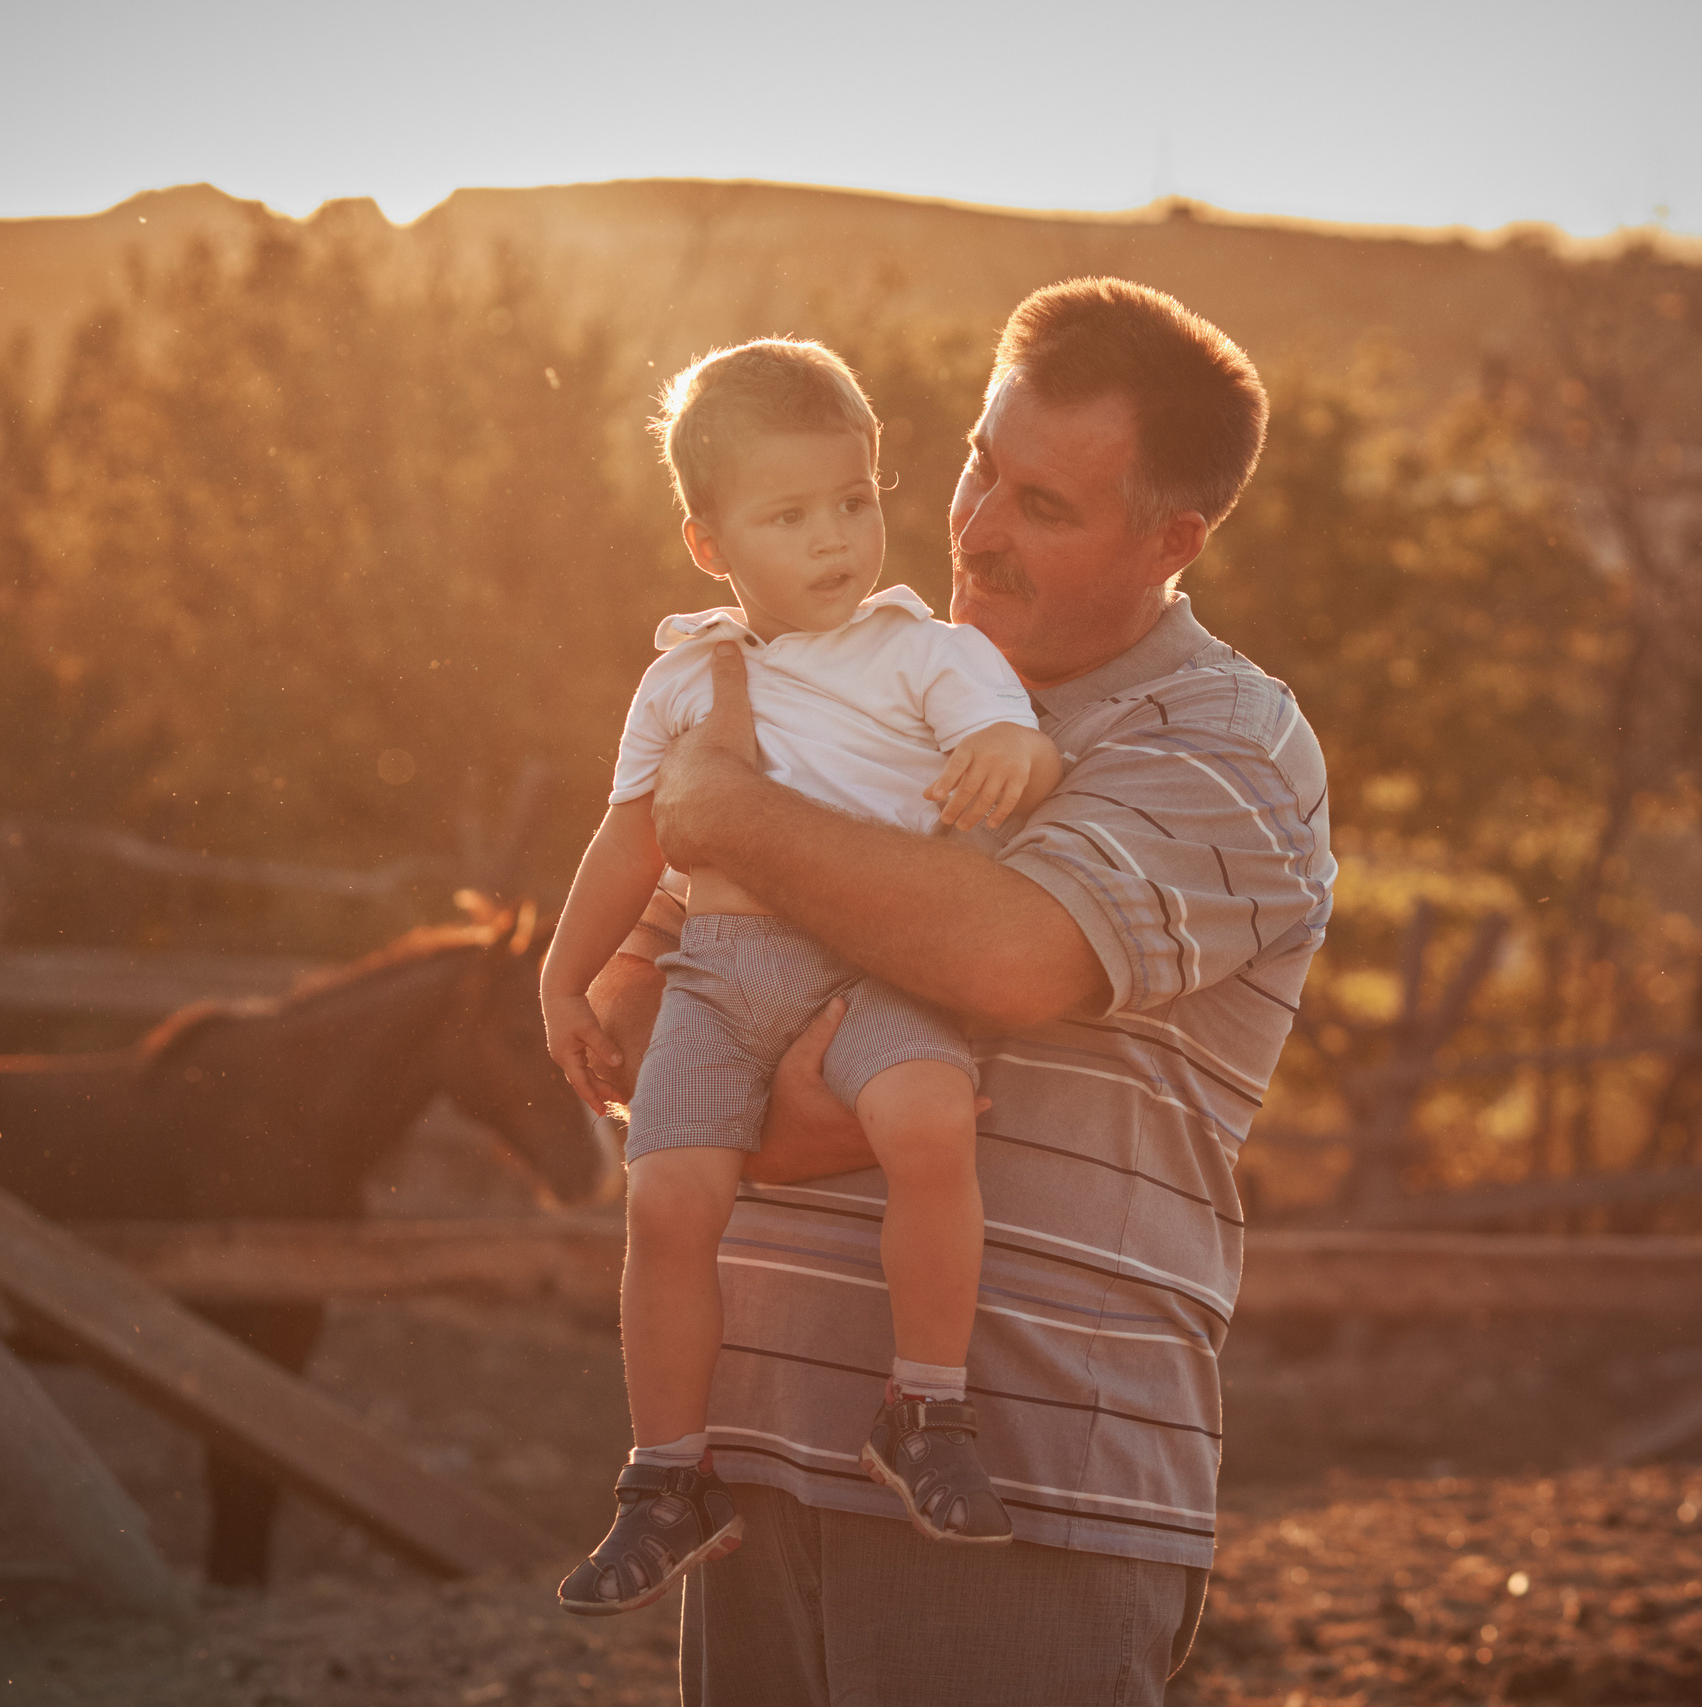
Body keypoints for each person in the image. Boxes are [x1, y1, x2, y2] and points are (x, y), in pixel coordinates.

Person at [591, 279, 1335, 1705]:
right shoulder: (835, 685)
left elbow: (1016, 952)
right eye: (979, 464)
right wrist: (765, 1104)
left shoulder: (1221, 739)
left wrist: (732, 819)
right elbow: (633, 1028)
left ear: (1172, 537)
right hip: (752, 1467)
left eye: (1043, 504)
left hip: (1032, 1492)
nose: (976, 529)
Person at [539, 339, 1067, 1617]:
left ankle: (926, 1408)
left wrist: (1012, 758)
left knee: (930, 1119)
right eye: (788, 517)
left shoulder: (919, 650)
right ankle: (668, 1475)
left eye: (855, 501)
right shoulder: (680, 676)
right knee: (667, 1201)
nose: (837, 540)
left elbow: (1014, 740)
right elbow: (631, 834)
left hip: (877, 966)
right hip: (720, 977)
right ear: (708, 543)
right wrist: (563, 977)